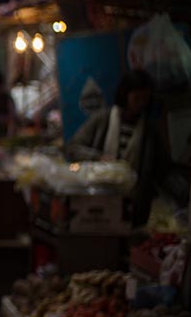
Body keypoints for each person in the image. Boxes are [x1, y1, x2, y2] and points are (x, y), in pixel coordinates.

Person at [67, 69, 179, 226]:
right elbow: (73, 147)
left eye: (145, 99)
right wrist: (98, 157)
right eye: (136, 98)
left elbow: (162, 169)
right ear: (125, 95)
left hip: (135, 209)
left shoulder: (149, 131)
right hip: (98, 204)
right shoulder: (102, 119)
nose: (141, 104)